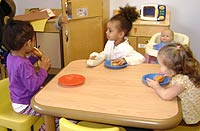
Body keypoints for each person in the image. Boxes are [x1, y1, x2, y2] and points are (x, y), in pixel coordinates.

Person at [2, 18, 53, 131]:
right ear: (28, 43)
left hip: (18, 100)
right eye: (33, 40)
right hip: (25, 104)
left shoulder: (12, 56)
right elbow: (33, 86)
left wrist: (34, 58)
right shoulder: (22, 63)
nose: (34, 43)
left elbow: (22, 71)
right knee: (53, 116)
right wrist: (43, 69)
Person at [146, 43, 200, 125]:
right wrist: (167, 73)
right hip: (193, 107)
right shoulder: (187, 70)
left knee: (159, 114)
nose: (160, 68)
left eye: (161, 66)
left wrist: (156, 86)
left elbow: (166, 95)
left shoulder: (182, 80)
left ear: (172, 68)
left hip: (189, 117)